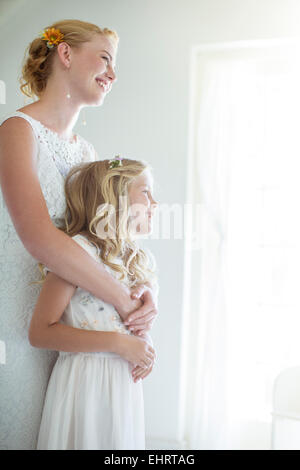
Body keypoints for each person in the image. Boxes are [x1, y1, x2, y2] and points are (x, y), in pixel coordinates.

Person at [0, 20, 157, 450]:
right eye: (105, 58)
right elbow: (40, 240)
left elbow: (104, 242)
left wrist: (143, 291)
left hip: (72, 329)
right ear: (65, 55)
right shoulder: (15, 131)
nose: (113, 73)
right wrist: (122, 302)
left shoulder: (86, 154)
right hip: (16, 324)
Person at [29, 157, 158, 450]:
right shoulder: (77, 252)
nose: (155, 203)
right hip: (84, 387)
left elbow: (133, 323)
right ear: (117, 195)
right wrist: (118, 343)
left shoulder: (138, 261)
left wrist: (144, 345)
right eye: (146, 192)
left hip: (123, 391)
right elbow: (40, 333)